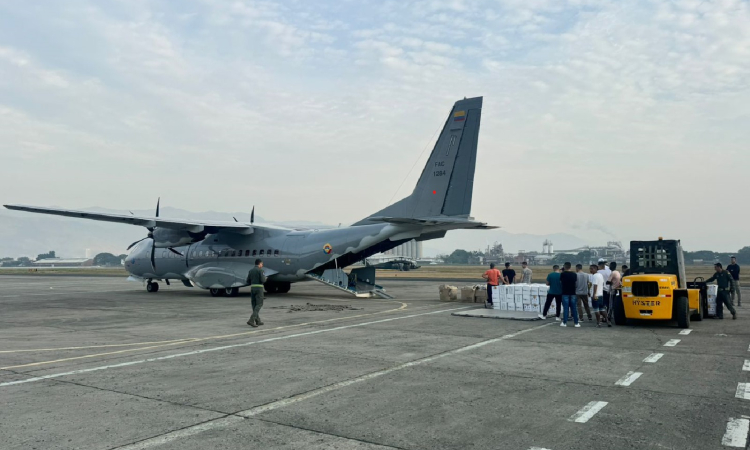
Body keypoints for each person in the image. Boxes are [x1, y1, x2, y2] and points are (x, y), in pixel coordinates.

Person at [246, 259, 267, 327]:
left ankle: (258, 321)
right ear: (259, 264)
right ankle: (251, 320)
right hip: (259, 288)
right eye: (262, 264)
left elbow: (247, 281)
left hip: (252, 288)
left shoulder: (251, 271)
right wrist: (265, 278)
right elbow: (262, 280)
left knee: (254, 305)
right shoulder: (260, 271)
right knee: (259, 304)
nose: (262, 265)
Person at [559, 262, 580, 327]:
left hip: (565, 292)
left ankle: (564, 322)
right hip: (573, 292)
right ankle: (576, 323)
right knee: (574, 308)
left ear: (564, 267)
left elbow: (560, 282)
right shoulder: (574, 274)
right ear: (570, 267)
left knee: (566, 308)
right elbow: (576, 283)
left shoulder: (562, 274)